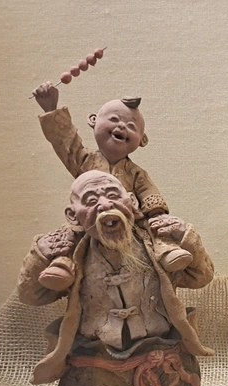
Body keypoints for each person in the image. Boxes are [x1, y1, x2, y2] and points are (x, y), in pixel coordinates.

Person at [18, 171, 214, 386]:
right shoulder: (71, 255)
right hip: (95, 356)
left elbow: (201, 276)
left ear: (131, 202)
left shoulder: (157, 245)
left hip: (159, 349)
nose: (104, 205)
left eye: (112, 195)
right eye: (90, 200)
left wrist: (187, 236)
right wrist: (42, 254)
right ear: (74, 216)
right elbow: (31, 295)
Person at [31, 82, 191, 291]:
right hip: (89, 224)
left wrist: (157, 215)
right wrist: (51, 109)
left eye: (131, 126)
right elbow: (65, 143)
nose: (122, 126)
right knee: (70, 235)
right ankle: (62, 266)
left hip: (129, 225)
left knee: (154, 230)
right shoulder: (84, 161)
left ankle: (167, 252)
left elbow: (150, 196)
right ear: (93, 121)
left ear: (142, 140)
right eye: (114, 119)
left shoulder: (136, 173)